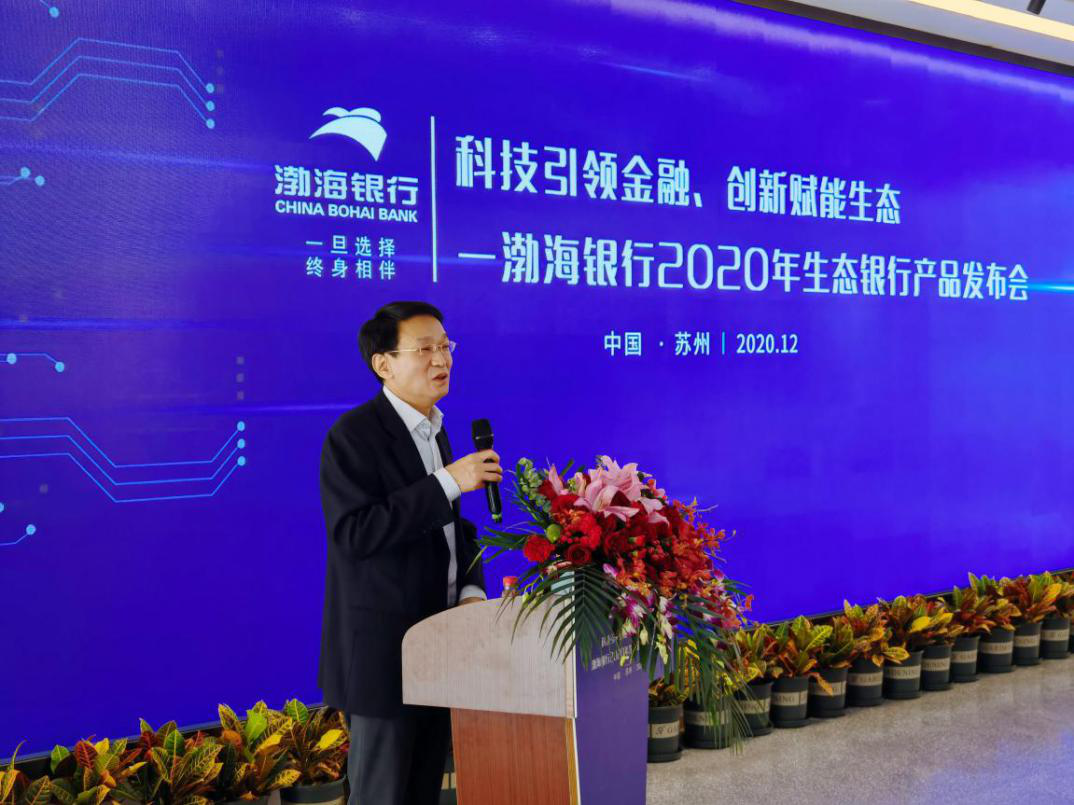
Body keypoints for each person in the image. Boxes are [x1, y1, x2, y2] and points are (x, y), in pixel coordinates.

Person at [318, 301, 502, 805]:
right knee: (382, 795)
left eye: (445, 346)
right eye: (424, 349)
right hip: (384, 658)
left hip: (438, 647)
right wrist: (446, 482)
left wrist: (471, 588)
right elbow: (355, 533)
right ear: (384, 364)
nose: (441, 359)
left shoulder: (435, 430)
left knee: (423, 791)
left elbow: (450, 528)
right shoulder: (353, 436)